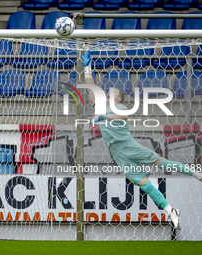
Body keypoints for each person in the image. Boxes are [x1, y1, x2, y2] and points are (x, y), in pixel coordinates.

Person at [83, 50, 202, 230]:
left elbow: (121, 117)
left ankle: (196, 174)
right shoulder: (100, 106)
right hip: (118, 154)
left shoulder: (121, 107)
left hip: (128, 146)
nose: (107, 93)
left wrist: (104, 118)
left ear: (118, 98)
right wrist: (87, 67)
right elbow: (91, 88)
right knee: (144, 184)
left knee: (162, 164)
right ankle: (171, 210)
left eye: (111, 92)